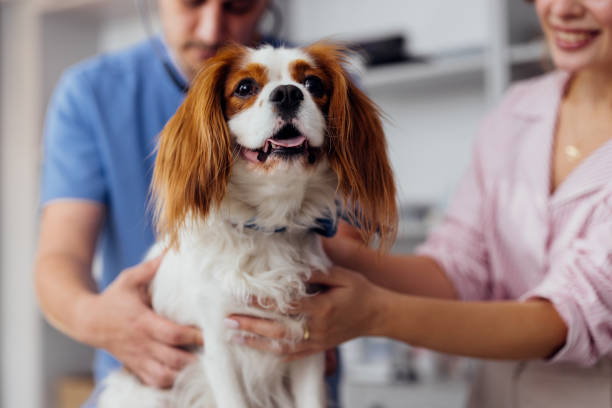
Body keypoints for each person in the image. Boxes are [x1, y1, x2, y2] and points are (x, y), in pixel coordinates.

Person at [227, 0, 612, 406]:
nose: (562, 9)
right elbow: (458, 266)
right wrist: (330, 252)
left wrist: (376, 314)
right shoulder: (516, 111)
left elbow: (568, 317)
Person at [34, 0, 340, 406]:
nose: (212, 29)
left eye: (238, 6)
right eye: (191, 2)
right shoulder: (91, 92)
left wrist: (343, 307)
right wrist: (97, 319)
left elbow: (346, 248)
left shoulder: (324, 81)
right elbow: (59, 257)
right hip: (152, 385)